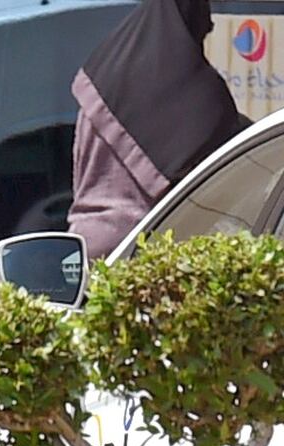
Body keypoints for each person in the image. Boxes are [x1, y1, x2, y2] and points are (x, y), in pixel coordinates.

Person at [68, 0, 248, 260]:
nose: (209, 25)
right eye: (203, 21)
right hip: (148, 257)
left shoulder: (101, 71)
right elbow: (230, 183)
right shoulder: (202, 98)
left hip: (84, 246)